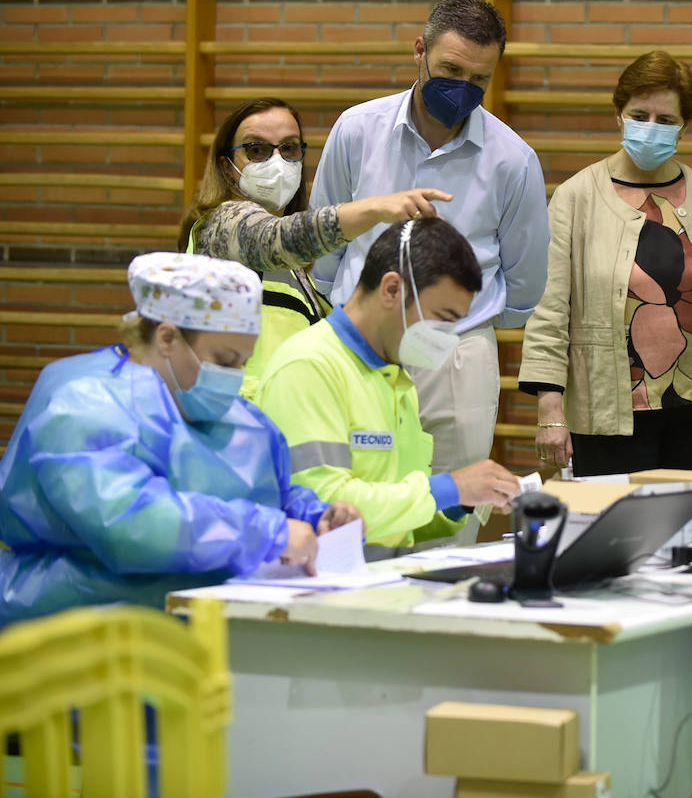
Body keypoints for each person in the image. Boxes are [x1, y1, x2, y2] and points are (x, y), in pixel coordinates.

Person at [0, 253, 359, 626]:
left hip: (204, 636)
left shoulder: (241, 418)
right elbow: (132, 526)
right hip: (73, 638)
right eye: (223, 359)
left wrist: (315, 516)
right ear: (167, 337)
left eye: (243, 362)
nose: (233, 376)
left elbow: (269, 493)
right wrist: (267, 533)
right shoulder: (82, 404)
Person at [310, 0, 550, 497]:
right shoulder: (357, 130)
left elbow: (525, 281)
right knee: (350, 498)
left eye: (479, 80)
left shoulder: (514, 160)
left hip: (454, 350)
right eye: (450, 69)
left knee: (452, 508)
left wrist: (462, 329)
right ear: (420, 50)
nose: (463, 88)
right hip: (359, 341)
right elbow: (326, 235)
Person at [518, 50, 692, 475]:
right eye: (640, 115)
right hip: (608, 416)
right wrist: (550, 410)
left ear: (684, 126)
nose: (651, 128)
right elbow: (548, 309)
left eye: (665, 121)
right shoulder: (577, 197)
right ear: (618, 115)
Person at [257, 219, 521, 557]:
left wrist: (461, 502)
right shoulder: (308, 366)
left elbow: (399, 525)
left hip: (382, 582)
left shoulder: (396, 380)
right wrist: (448, 487)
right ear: (392, 289)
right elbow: (327, 509)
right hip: (322, 586)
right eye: (442, 317)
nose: (447, 336)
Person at [176, 97, 451, 402]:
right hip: (234, 421)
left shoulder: (302, 273)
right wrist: (376, 208)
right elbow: (274, 239)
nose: (276, 161)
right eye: (256, 150)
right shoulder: (221, 225)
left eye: (289, 148)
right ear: (227, 167)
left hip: (287, 417)